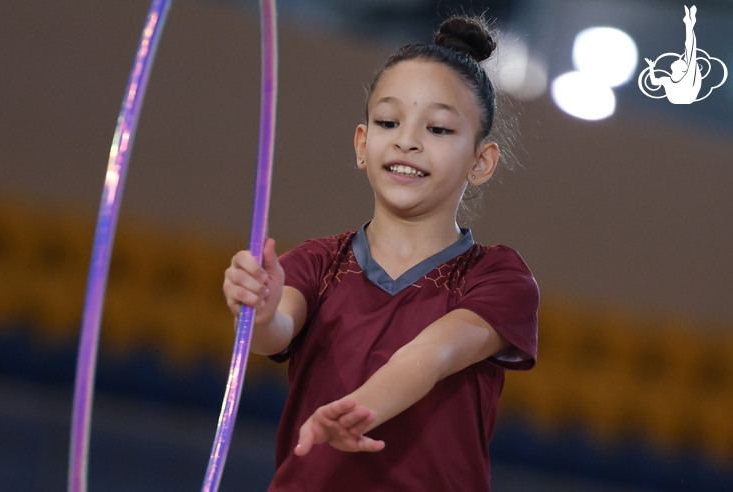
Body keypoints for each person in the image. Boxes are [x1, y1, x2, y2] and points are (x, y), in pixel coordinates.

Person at [223, 14, 539, 492]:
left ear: (481, 162)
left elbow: (431, 355)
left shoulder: (498, 277)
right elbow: (273, 333)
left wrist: (358, 410)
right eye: (389, 121)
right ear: (362, 144)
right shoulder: (318, 262)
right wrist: (261, 312)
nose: (407, 141)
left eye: (438, 129)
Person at [645, 5, 701, 104]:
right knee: (690, 51)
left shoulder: (687, 78)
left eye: (680, 61)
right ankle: (689, 23)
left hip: (686, 97)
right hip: (678, 99)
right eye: (680, 60)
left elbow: (690, 48)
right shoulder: (667, 80)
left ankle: (689, 23)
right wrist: (651, 67)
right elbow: (654, 82)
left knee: (690, 50)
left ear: (682, 69)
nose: (678, 59)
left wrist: (689, 26)